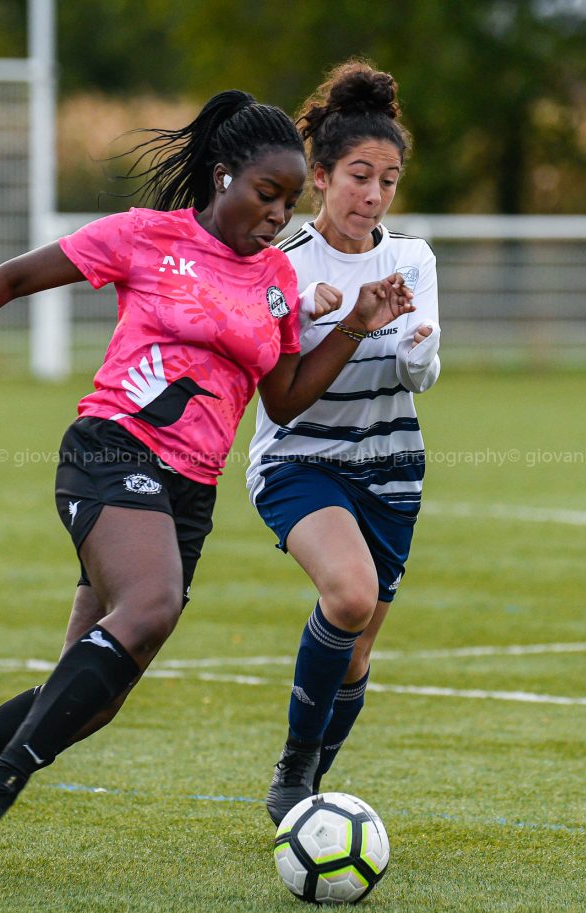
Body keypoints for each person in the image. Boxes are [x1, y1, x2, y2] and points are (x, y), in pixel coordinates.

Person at [0, 88, 415, 872]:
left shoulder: (277, 285)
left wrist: (359, 322)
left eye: (289, 200)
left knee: (88, 696)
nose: (277, 214)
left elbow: (287, 400)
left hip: (188, 495)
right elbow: (16, 278)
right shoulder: (146, 237)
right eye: (266, 194)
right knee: (150, 604)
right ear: (222, 176)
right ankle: (0, 781)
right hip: (111, 450)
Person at [244, 62, 441, 825]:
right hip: (300, 459)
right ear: (320, 176)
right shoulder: (282, 266)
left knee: (357, 653)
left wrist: (416, 342)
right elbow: (279, 390)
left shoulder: (412, 259)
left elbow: (420, 372)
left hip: (391, 466)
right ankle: (294, 773)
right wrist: (307, 312)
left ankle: (308, 793)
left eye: (389, 180)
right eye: (360, 175)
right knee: (350, 594)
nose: (374, 195)